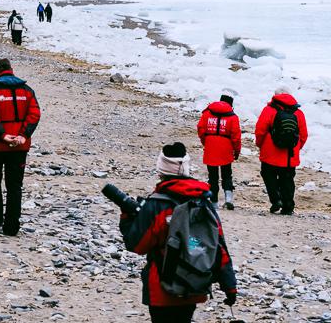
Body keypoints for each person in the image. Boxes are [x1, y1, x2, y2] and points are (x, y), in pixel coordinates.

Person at [118, 142, 238, 323]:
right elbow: (218, 244)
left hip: (162, 287)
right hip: (195, 281)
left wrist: (127, 217)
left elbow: (137, 245)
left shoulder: (157, 204)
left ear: (161, 169)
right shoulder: (202, 201)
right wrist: (229, 285)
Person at [0, 58, 40, 235]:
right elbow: (34, 114)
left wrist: (3, 135)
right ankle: (12, 225)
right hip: (19, 147)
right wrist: (23, 135)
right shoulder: (26, 90)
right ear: (11, 69)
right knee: (14, 186)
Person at [255, 89, 308, 215]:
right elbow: (304, 134)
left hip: (270, 153)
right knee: (288, 180)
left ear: (275, 96)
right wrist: (296, 148)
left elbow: (260, 131)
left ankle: (276, 200)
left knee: (268, 175)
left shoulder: (268, 110)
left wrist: (260, 145)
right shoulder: (298, 113)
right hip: (290, 154)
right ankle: (288, 206)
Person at [197, 94, 241, 209]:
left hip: (210, 146)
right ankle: (228, 198)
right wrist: (236, 151)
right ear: (231, 105)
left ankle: (214, 202)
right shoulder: (233, 117)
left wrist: (205, 142)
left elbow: (201, 129)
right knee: (227, 174)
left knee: (212, 176)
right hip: (226, 148)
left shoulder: (207, 113)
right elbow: (236, 137)